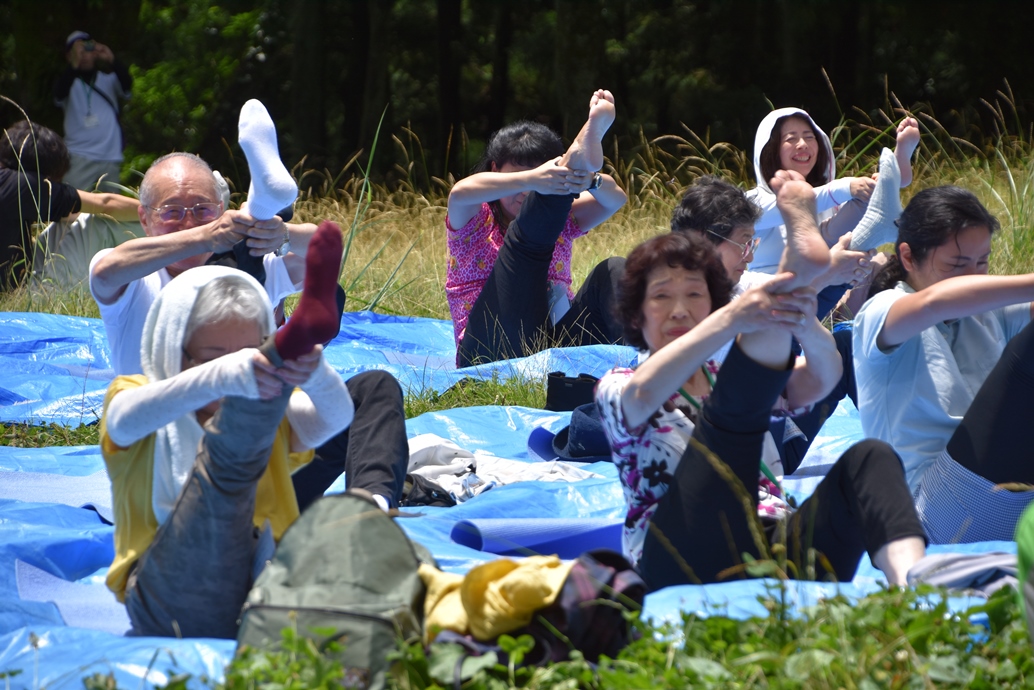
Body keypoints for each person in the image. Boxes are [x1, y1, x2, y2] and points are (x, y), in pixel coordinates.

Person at [597, 172, 925, 591]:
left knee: (871, 458)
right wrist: (734, 318)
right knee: (732, 411)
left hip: (768, 547)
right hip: (677, 557)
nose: (679, 310)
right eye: (662, 297)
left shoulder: (725, 376)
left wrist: (804, 323)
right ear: (635, 316)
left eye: (695, 295)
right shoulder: (620, 383)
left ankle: (918, 590)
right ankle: (798, 269)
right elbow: (643, 395)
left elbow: (824, 379)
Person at [89, 151, 406, 511]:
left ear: (222, 211)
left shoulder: (247, 271)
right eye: (172, 211)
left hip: (264, 462)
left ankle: (371, 507)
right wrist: (206, 237)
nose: (188, 221)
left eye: (202, 210)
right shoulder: (134, 279)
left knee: (374, 388)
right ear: (144, 219)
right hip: (174, 476)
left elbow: (327, 247)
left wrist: (279, 233)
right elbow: (106, 270)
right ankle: (287, 329)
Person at [101, 225, 350, 636]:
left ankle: (295, 345)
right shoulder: (134, 395)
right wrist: (222, 377)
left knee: (374, 387)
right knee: (234, 440)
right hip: (172, 598)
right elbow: (124, 420)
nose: (239, 372)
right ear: (172, 348)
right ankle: (292, 341)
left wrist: (316, 373)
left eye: (250, 355)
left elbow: (334, 421)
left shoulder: (263, 405)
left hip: (269, 583)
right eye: (213, 357)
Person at [854, 186, 1034, 544]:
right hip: (933, 513)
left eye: (982, 262)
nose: (974, 276)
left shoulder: (987, 310)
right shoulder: (881, 310)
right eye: (956, 264)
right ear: (907, 257)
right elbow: (934, 304)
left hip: (1007, 498)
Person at [670, 175, 872, 472]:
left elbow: (821, 369)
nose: (749, 255)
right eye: (742, 243)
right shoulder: (670, 302)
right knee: (768, 345)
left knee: (842, 343)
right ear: (701, 242)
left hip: (779, 438)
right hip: (731, 455)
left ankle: (903, 439)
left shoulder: (741, 284)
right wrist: (824, 274)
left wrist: (812, 312)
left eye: (753, 242)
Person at [445, 89, 628, 366]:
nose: (527, 192)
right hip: (491, 351)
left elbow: (615, 200)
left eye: (547, 176)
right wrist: (532, 179)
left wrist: (590, 181)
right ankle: (575, 158)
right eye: (518, 175)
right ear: (495, 170)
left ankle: (650, 364)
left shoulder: (563, 220)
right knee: (526, 244)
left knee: (613, 269)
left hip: (555, 347)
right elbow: (459, 193)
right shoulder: (475, 219)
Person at [747, 108, 920, 315]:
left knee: (881, 261)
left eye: (809, 137)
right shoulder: (752, 202)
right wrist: (846, 187)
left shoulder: (832, 202)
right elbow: (793, 204)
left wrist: (863, 191)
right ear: (770, 150)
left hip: (833, 300)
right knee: (822, 239)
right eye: (791, 139)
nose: (802, 144)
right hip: (779, 304)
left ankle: (889, 177)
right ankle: (886, 181)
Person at [0, 120, 138, 288]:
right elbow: (105, 204)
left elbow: (68, 214)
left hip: (13, 283)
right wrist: (158, 214)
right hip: (17, 295)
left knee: (66, 222)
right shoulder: (25, 184)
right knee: (98, 223)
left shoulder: (6, 182)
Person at [53, 31, 132, 192]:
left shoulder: (108, 79)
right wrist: (73, 65)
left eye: (87, 50)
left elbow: (127, 86)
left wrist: (112, 59)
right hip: (79, 156)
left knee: (109, 214)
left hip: (110, 155)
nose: (84, 56)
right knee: (73, 209)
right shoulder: (67, 82)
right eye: (79, 52)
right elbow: (58, 95)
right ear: (69, 56)